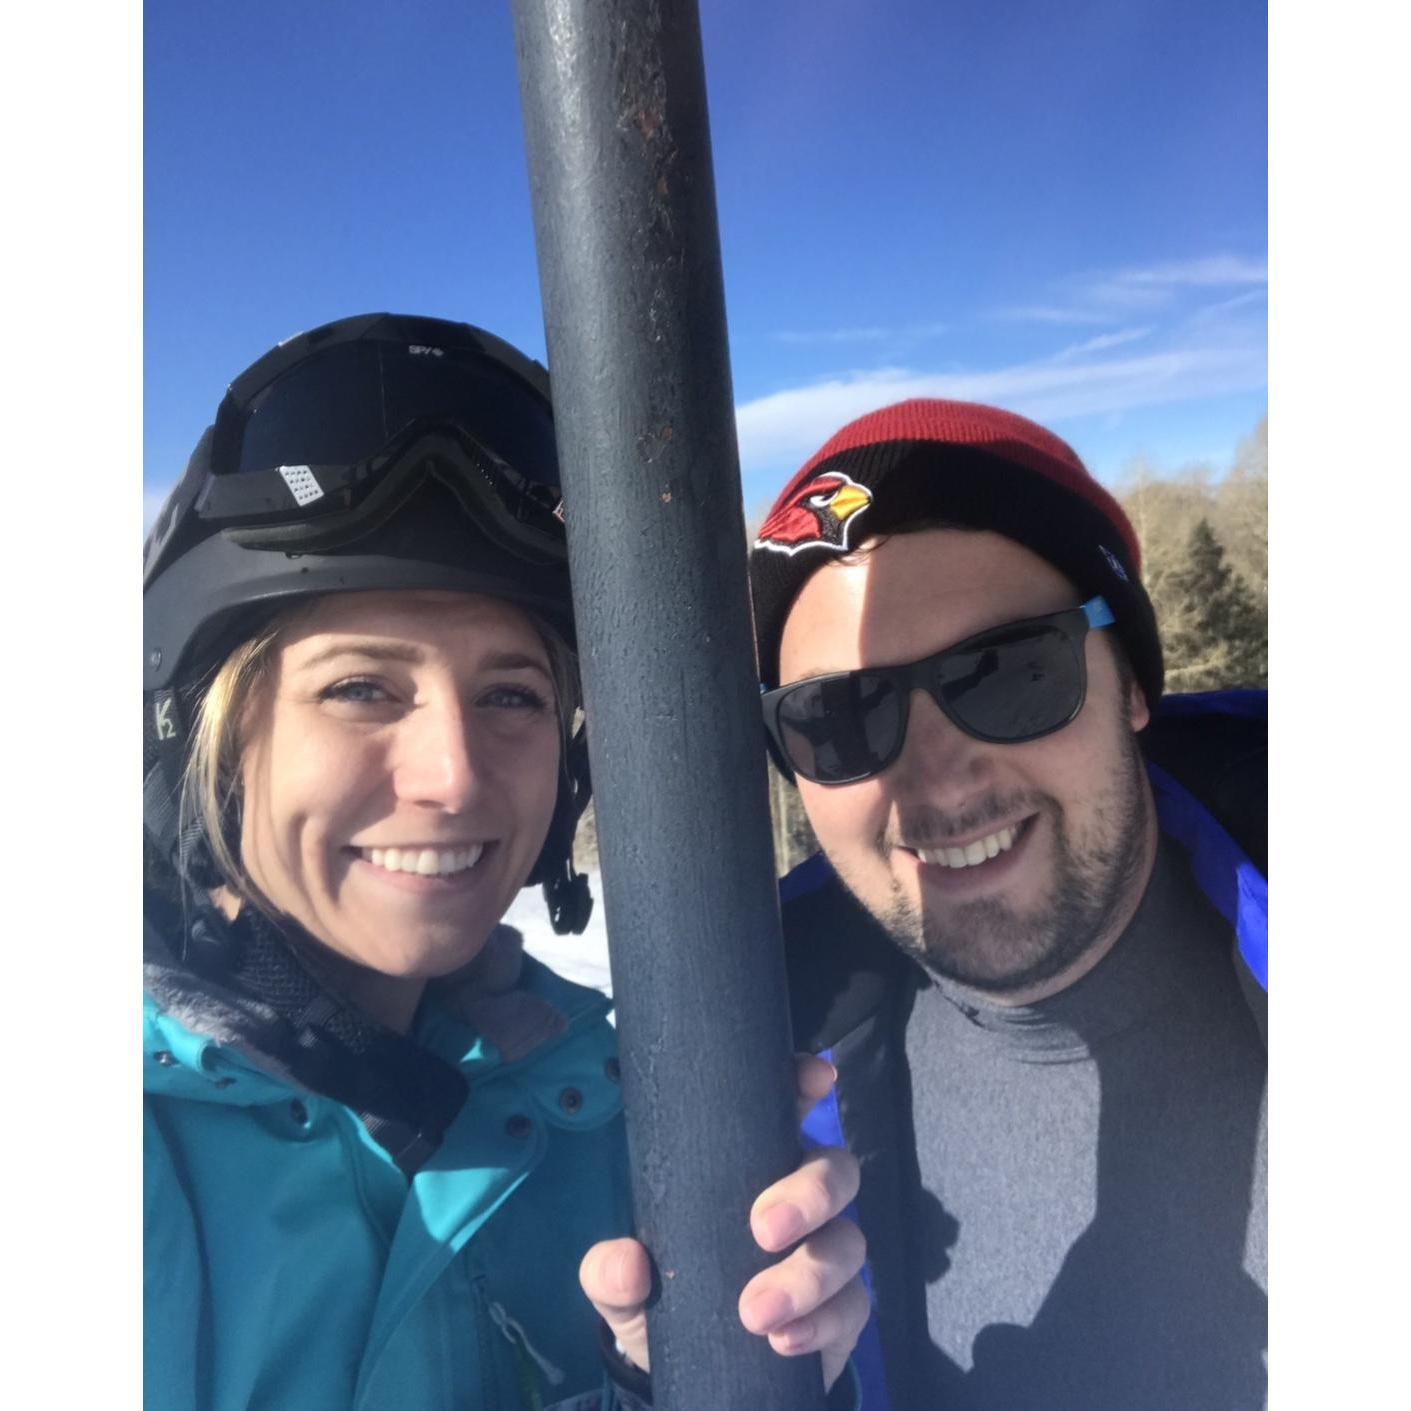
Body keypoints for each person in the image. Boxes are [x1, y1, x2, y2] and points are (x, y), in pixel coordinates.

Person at [143, 312, 868, 1411]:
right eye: (361, 688)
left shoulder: (615, 1119)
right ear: (211, 742)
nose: (455, 773)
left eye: (513, 695)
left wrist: (699, 1381)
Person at [747, 398, 1267, 1410]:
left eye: (1009, 672)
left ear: (1131, 683)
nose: (937, 780)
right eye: (841, 716)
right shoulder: (747, 1099)